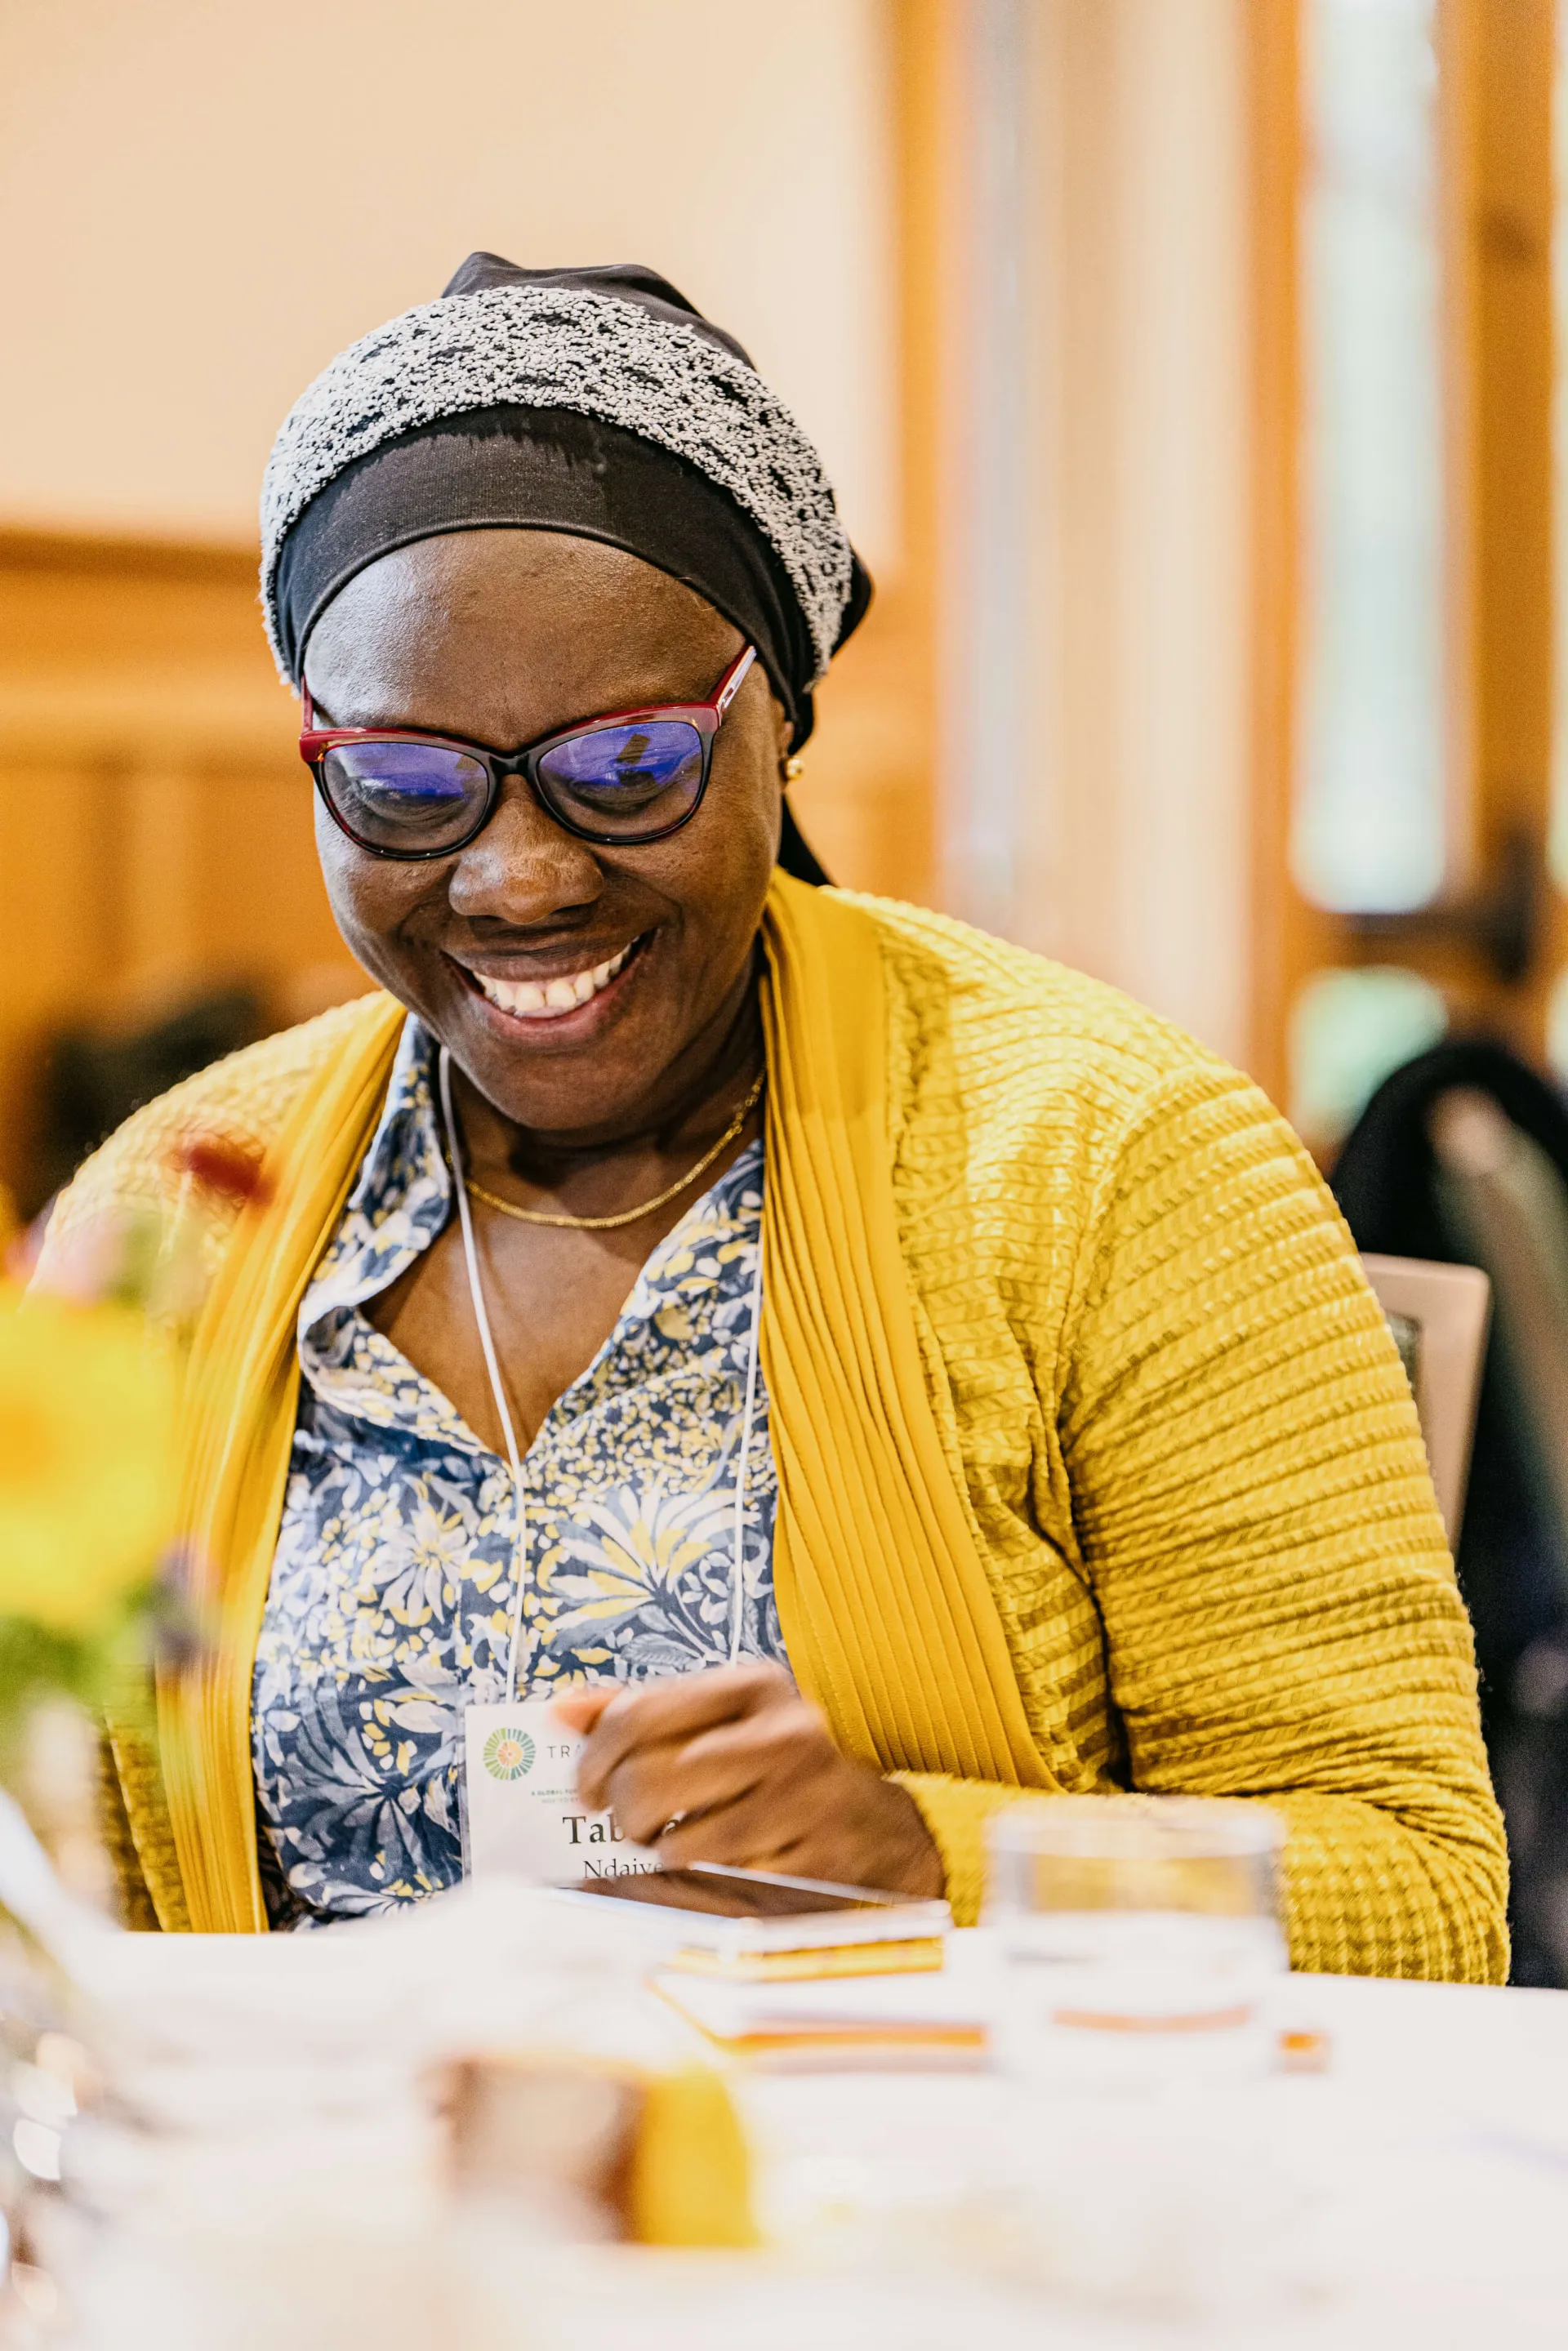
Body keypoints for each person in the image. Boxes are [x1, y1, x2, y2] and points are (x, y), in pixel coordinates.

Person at [43, 255, 1506, 1975]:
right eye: (409, 786)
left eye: (626, 768)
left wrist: (926, 1861)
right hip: (333, 2217)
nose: (517, 878)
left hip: (936, 2212)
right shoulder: (172, 1211)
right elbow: (73, 1892)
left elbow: (1418, 1895)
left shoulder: (1107, 1156)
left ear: (776, 725)